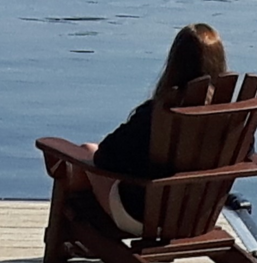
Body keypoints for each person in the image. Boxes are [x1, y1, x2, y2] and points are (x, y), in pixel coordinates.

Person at [87, 23, 226, 233]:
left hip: (143, 216)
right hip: (198, 218)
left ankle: (78, 238)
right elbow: (247, 155)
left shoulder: (156, 115)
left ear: (174, 63)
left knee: (84, 155)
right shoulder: (232, 119)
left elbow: (104, 157)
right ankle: (82, 242)